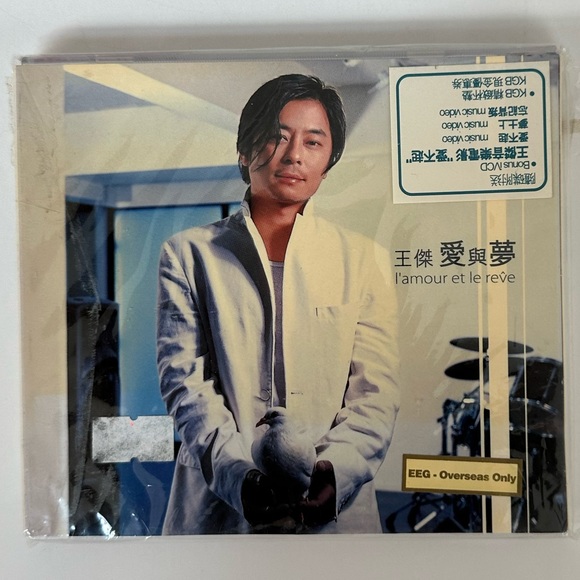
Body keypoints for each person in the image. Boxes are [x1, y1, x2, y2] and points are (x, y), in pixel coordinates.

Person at [156, 73, 399, 534]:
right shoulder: (188, 254)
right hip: (219, 506)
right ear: (244, 151)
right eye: (278, 136)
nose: (294, 155)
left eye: (313, 142)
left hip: (332, 507)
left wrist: (334, 474)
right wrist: (239, 478)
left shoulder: (364, 259)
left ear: (328, 162)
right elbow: (185, 385)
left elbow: (375, 394)